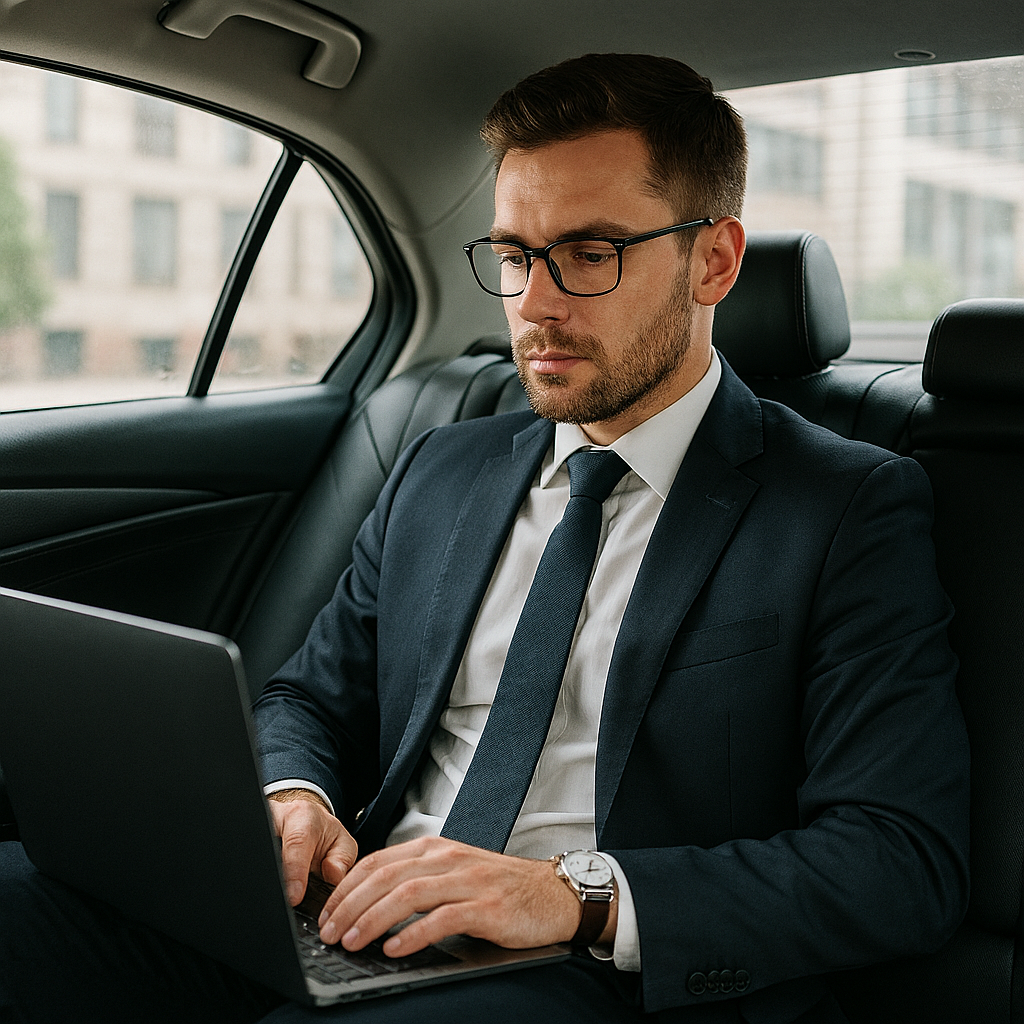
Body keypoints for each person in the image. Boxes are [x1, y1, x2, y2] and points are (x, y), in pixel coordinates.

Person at [0, 53, 968, 1024]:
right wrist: (295, 795)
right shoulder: (441, 467)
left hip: (588, 975)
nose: (534, 304)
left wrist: (570, 894)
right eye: (514, 255)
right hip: (352, 914)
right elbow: (309, 696)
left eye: (591, 254)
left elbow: (898, 859)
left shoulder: (847, 504)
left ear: (713, 260)